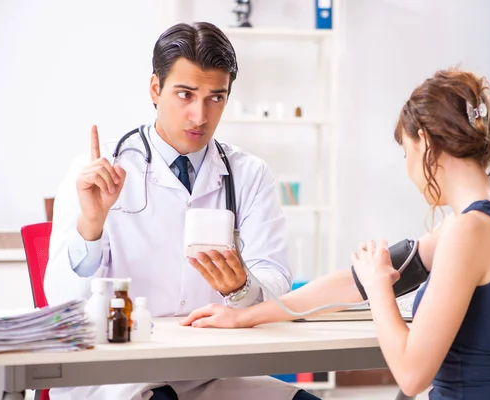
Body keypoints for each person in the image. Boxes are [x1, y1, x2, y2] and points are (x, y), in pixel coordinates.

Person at [182, 68, 490, 399]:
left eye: (406, 152)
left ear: (424, 142)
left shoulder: (469, 231)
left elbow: (411, 375)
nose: (409, 170)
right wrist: (244, 315)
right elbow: (351, 283)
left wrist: (379, 289)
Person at [43, 22, 320, 400]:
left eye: (215, 98)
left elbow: (276, 282)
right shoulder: (96, 170)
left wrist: (240, 288)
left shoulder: (249, 174)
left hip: (213, 372)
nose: (200, 116)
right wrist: (91, 224)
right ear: (156, 89)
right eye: (185, 95)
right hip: (121, 376)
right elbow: (60, 302)